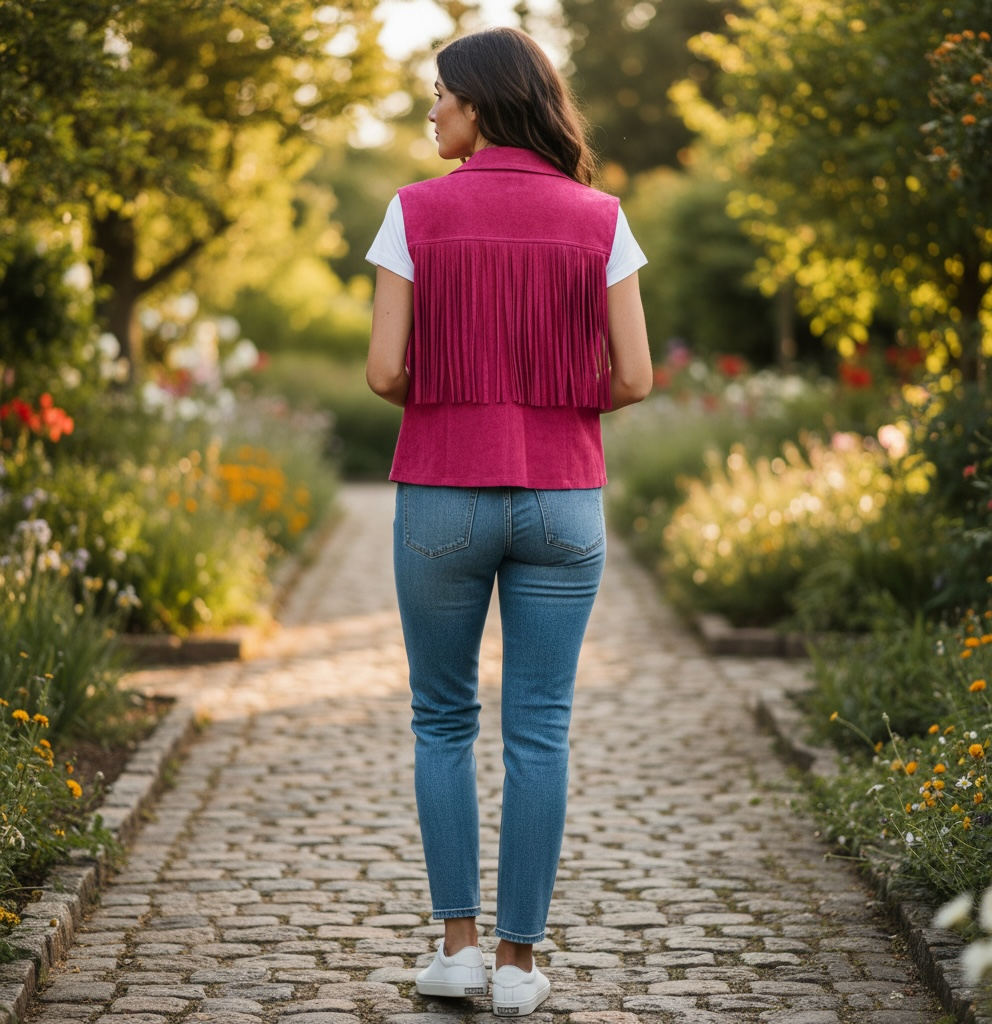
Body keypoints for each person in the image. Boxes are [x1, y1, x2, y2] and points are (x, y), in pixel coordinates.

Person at [365, 26, 651, 1017]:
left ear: (480, 104)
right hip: (564, 502)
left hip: (442, 492)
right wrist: (550, 401)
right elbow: (637, 376)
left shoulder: (412, 213)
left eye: (440, 95)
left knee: (442, 719)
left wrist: (466, 390)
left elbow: (385, 373)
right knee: (542, 730)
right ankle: (522, 966)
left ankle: (456, 949)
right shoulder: (602, 217)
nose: (431, 112)